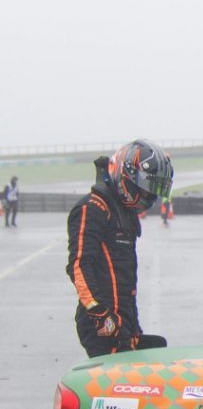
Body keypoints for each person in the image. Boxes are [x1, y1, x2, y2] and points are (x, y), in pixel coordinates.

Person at [67, 140, 173, 357]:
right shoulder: (93, 208)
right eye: (145, 191)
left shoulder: (124, 212)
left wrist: (132, 326)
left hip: (125, 321)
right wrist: (99, 314)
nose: (148, 198)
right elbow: (79, 265)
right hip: (102, 325)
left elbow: (124, 277)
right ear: (127, 177)